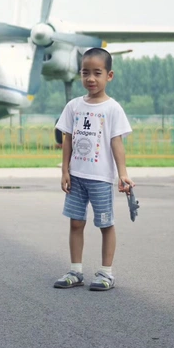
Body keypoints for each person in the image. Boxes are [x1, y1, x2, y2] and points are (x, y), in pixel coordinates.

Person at [53, 47, 134, 291]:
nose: (90, 78)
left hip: (100, 179)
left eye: (97, 73)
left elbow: (116, 143)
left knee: (105, 224)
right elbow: (67, 139)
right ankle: (75, 271)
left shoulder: (112, 108)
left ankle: (106, 273)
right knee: (76, 223)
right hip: (76, 177)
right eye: (85, 72)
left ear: (109, 75)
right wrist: (65, 171)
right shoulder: (74, 106)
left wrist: (123, 174)